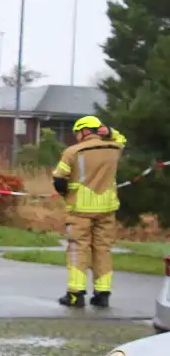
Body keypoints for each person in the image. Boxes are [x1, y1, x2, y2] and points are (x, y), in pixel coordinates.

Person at [53, 115, 125, 308]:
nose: (76, 135)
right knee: (103, 248)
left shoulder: (73, 152)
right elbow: (121, 139)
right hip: (107, 208)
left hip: (80, 209)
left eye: (77, 132)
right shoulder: (114, 148)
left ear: (84, 131)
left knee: (78, 248)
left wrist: (65, 193)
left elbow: (59, 179)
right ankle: (103, 294)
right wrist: (109, 132)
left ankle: (75, 294)